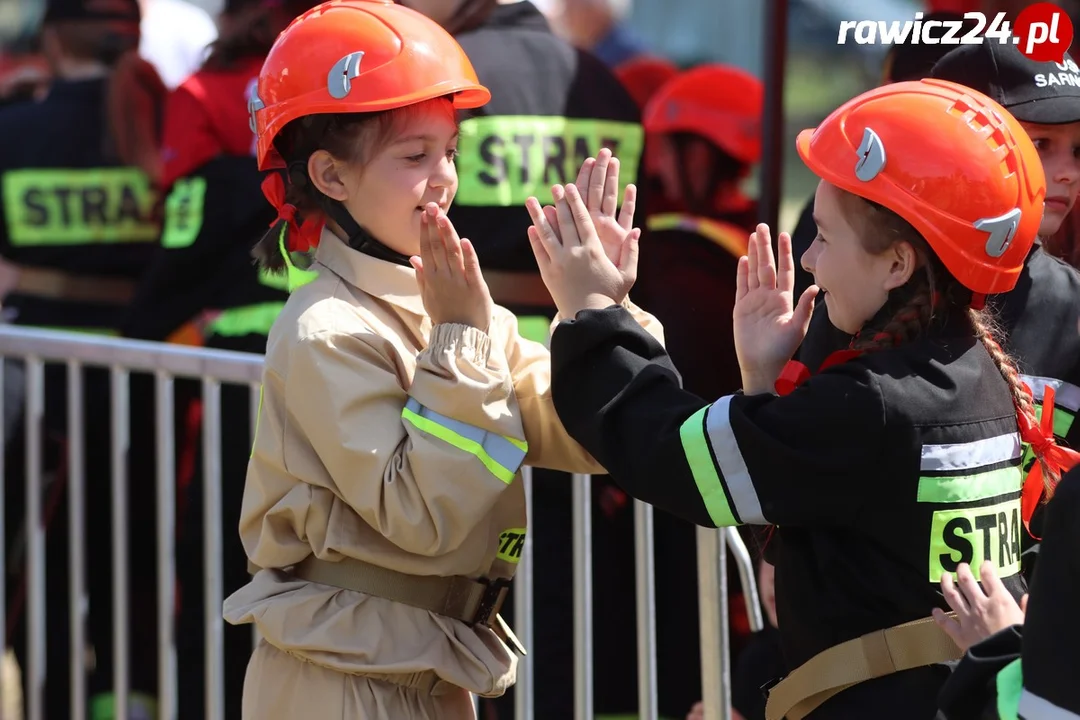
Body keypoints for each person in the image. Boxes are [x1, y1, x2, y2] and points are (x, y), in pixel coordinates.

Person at [530, 78, 1080, 718]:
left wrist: (593, 310)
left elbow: (674, 457)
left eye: (824, 234)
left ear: (899, 265)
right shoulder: (977, 370)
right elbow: (836, 506)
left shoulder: (869, 405)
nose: (812, 258)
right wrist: (762, 382)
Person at [221, 2, 661, 718]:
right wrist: (458, 341)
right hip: (340, 681)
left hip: (428, 664)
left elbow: (587, 434)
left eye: (449, 151)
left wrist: (598, 312)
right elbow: (422, 516)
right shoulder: (325, 328)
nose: (445, 179)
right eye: (414, 157)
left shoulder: (449, 301)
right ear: (330, 176)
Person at [397, 3, 649, 715]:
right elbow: (632, 240)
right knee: (572, 593)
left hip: (468, 356)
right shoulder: (607, 85)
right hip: (583, 354)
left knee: (481, 582)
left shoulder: (446, 80)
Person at [120, 0, 321, 715]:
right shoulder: (354, 89)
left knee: (224, 565)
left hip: (243, 386)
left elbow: (183, 249)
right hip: (350, 377)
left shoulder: (201, 99)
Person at [0, 0, 166, 715]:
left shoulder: (15, 127)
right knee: (134, 553)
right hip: (151, 381)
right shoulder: (162, 120)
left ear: (54, 38)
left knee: (47, 560)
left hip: (37, 380)